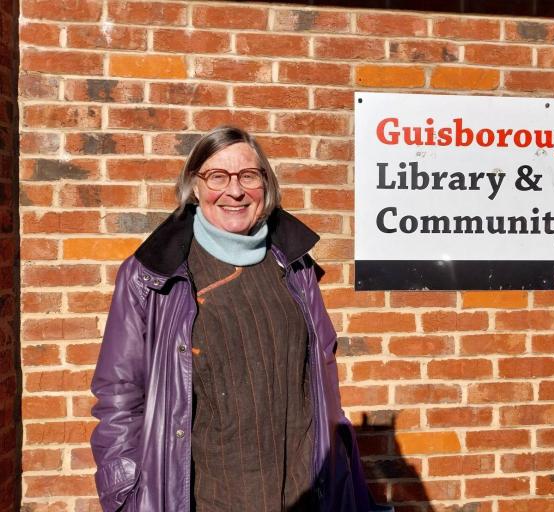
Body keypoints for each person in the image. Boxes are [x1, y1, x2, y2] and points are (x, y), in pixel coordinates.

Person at [90, 125, 381, 511]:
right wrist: (124, 493)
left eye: (248, 175)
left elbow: (322, 381)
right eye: (217, 176)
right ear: (194, 186)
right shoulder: (152, 275)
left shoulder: (294, 265)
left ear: (266, 184)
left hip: (302, 492)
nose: (235, 191)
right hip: (210, 495)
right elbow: (119, 394)